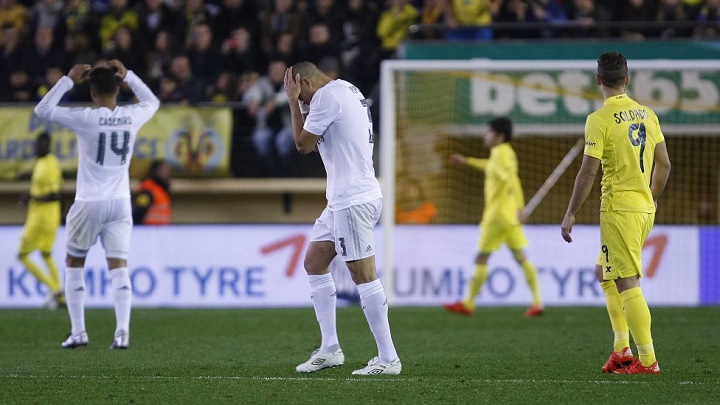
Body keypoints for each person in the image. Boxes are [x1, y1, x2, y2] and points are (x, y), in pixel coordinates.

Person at [284, 61, 401, 375]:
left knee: (363, 275)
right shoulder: (346, 88)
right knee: (314, 262)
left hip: (353, 199)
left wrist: (293, 103)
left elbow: (302, 144)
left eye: (300, 95)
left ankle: (388, 358)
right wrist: (301, 102)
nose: (303, 103)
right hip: (341, 200)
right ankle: (330, 348)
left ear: (304, 83)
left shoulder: (324, 97)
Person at [34, 59, 160, 350]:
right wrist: (129, 74)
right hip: (120, 202)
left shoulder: (87, 118)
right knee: (119, 267)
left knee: (74, 263)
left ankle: (79, 332)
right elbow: (152, 101)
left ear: (92, 94)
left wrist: (67, 79)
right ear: (117, 89)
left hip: (89, 201)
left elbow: (42, 110)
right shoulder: (132, 115)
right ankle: (123, 332)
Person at [561, 51, 671, 375]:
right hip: (643, 207)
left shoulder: (599, 119)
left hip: (619, 208)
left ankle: (648, 360)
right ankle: (621, 348)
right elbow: (664, 164)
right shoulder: (648, 114)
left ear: (598, 80)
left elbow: (587, 171)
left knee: (626, 281)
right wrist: (650, 197)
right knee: (603, 272)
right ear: (627, 79)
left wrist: (570, 212)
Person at [443, 117, 544, 318]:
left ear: (500, 136)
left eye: (489, 132)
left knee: (481, 257)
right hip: (509, 217)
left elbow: (510, 179)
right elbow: (491, 167)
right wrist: (467, 161)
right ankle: (537, 302)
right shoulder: (504, 154)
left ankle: (468, 303)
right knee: (521, 256)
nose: (485, 135)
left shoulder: (500, 154)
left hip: (497, 216)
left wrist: (521, 206)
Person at [17, 131, 64, 309]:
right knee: (46, 254)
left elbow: (55, 194)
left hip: (43, 217)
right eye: (36, 144)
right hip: (41, 215)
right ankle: (59, 295)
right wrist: (28, 195)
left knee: (23, 255)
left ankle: (54, 289)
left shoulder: (50, 163)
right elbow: (40, 188)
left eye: (40, 144)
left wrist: (33, 198)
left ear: (47, 145)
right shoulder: (40, 162)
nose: (36, 147)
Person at [132, 159, 172, 225]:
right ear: (157, 171)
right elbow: (139, 212)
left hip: (160, 230)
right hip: (149, 230)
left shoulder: (160, 189)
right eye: (164, 170)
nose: (167, 173)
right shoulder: (148, 188)